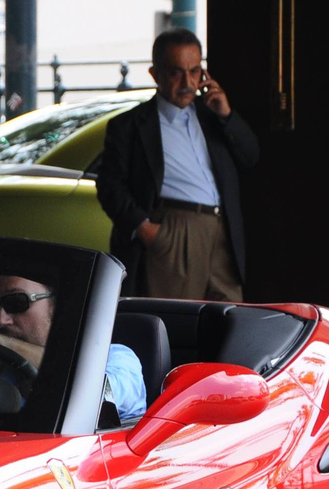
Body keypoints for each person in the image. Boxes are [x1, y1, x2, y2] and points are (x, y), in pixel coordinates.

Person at [96, 27, 259, 300]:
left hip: (223, 232)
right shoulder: (131, 126)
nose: (187, 81)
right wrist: (145, 229)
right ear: (155, 74)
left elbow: (250, 157)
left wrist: (227, 115)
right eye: (176, 72)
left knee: (230, 322)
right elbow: (109, 184)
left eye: (195, 71)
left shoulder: (212, 116)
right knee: (175, 325)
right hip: (172, 234)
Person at [0, 273, 147, 420]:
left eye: (17, 302)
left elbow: (98, 393)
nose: (1, 320)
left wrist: (5, 343)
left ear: (58, 305)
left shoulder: (115, 358)